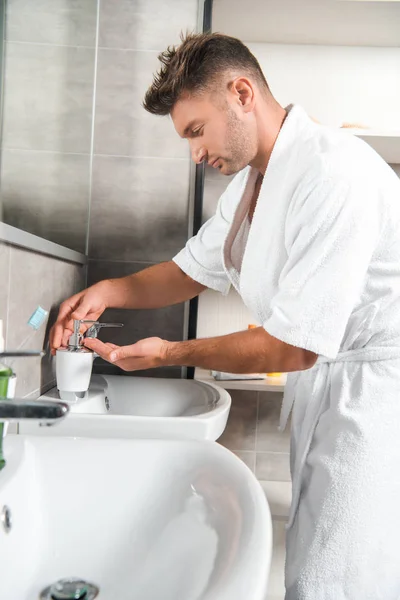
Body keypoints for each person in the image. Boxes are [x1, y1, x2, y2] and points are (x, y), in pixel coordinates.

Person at [50, 33, 400, 599]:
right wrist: (108, 291)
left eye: (196, 130)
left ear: (241, 93)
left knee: (340, 580)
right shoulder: (249, 187)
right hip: (331, 391)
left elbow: (295, 346)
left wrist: (170, 353)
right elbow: (192, 270)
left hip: (378, 402)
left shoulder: (334, 174)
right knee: (315, 565)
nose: (193, 152)